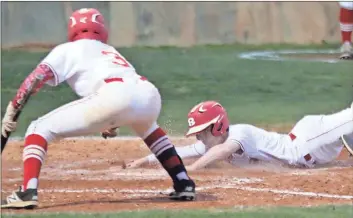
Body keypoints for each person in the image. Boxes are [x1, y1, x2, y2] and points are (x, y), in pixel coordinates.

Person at [1, 8, 196, 209]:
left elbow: (36, 78)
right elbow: (126, 92)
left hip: (114, 96)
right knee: (148, 128)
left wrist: (13, 108)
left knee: (37, 128)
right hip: (148, 94)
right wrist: (112, 120)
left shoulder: (67, 49)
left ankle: (27, 191)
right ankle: (183, 181)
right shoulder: (110, 51)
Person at [125, 101, 353, 171]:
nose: (198, 139)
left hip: (308, 140)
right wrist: (145, 160)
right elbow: (179, 153)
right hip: (314, 154)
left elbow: (222, 151)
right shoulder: (210, 146)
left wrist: (193, 170)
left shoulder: (238, 133)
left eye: (201, 132)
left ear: (217, 127)